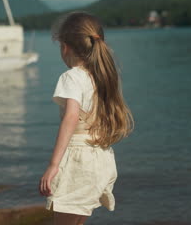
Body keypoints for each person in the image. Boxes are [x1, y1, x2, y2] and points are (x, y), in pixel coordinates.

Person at [39, 11, 134, 225]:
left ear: (65, 46)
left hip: (78, 160)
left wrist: (54, 164)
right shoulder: (100, 76)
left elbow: (71, 117)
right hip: (100, 158)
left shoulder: (71, 77)